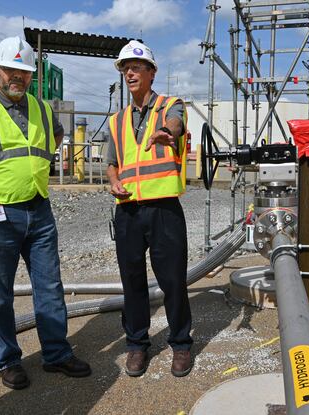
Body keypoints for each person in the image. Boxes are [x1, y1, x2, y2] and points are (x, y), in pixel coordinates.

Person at [0, 36, 91, 390]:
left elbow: (55, 137)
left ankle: (56, 354)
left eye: (24, 72)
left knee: (50, 287)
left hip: (38, 211)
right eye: (11, 70)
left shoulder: (40, 108)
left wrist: (34, 171)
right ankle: (8, 360)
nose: (17, 78)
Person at [106, 40, 193, 377]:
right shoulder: (116, 121)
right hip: (127, 209)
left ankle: (181, 344)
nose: (129, 72)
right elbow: (112, 163)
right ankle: (137, 345)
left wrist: (167, 133)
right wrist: (113, 180)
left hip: (163, 209)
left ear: (151, 73)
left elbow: (176, 124)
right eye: (125, 67)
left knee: (172, 280)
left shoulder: (172, 106)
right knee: (132, 282)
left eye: (136, 67)